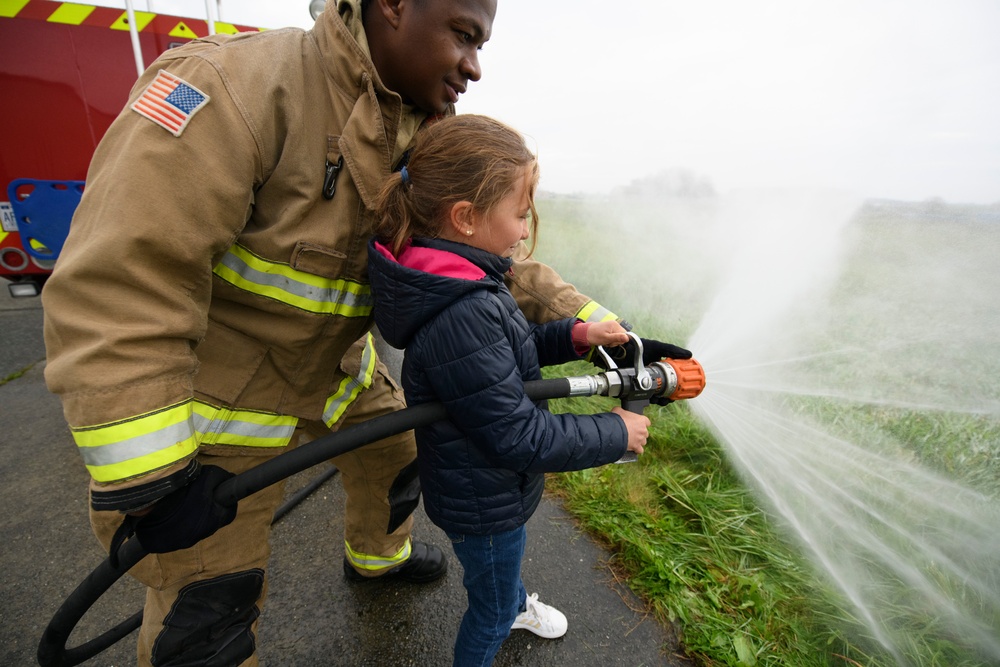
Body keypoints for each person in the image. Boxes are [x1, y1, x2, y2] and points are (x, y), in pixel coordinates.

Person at [42, 1, 690, 665]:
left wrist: (585, 320)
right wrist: (153, 481)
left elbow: (492, 264)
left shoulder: (426, 132)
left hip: (339, 371)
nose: (474, 65)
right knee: (208, 618)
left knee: (395, 456)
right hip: (222, 407)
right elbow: (123, 283)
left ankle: (377, 559)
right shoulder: (234, 88)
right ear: (393, 6)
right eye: (463, 36)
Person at [366, 114, 655, 666]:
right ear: (466, 218)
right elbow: (520, 436)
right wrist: (615, 432)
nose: (525, 231)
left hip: (483, 489)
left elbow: (506, 352)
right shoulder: (463, 310)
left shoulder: (462, 278)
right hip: (485, 501)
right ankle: (505, 613)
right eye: (520, 215)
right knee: (489, 610)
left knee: (496, 574)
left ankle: (512, 599)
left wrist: (573, 335)